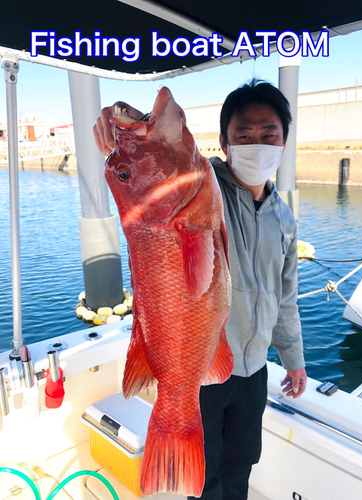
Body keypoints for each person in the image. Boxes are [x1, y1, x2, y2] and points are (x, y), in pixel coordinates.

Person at [94, 78, 307, 500]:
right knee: (204, 480)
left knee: (241, 463)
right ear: (225, 145)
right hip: (201, 372)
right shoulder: (207, 187)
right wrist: (116, 127)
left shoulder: (283, 217)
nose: (257, 144)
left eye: (269, 135)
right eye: (243, 135)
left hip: (254, 369)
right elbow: (161, 176)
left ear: (284, 142)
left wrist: (294, 360)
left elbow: (286, 295)